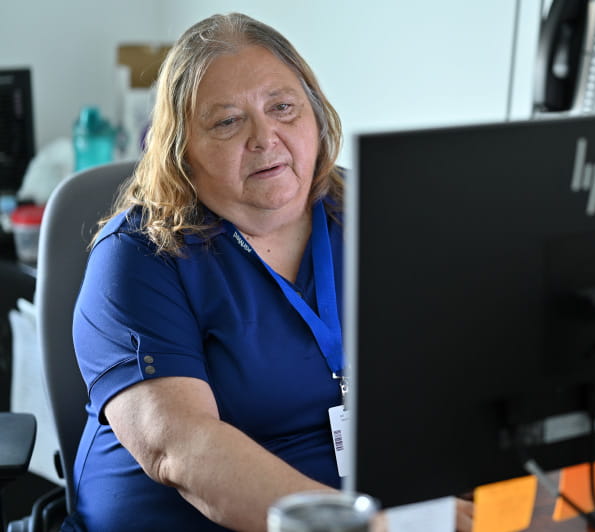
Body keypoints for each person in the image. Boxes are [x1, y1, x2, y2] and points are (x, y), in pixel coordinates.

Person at [66, 12, 472, 532]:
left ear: (317, 118)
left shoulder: (376, 214)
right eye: (227, 121)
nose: (265, 137)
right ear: (180, 152)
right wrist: (379, 525)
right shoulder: (140, 255)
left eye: (283, 108)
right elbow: (182, 450)